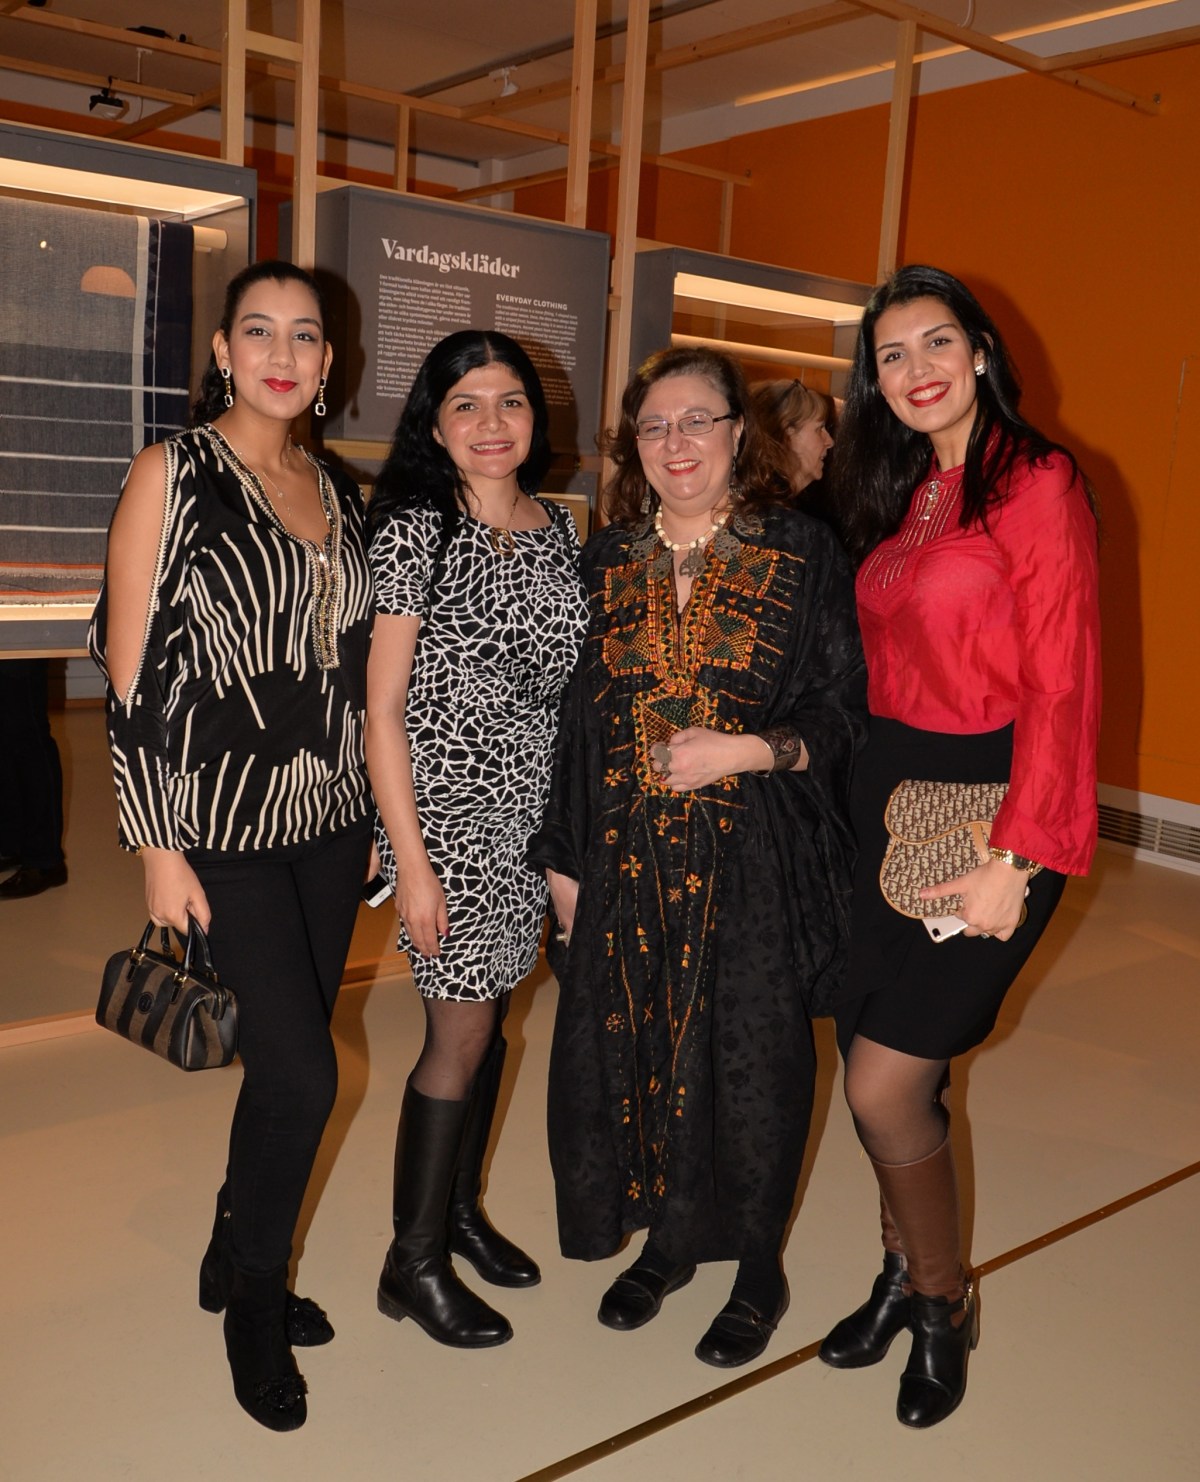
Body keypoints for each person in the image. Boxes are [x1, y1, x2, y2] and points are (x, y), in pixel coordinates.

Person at [528, 346, 866, 1368]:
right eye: (654, 426)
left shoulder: (801, 551)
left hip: (754, 854)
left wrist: (748, 750)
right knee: (645, 1047)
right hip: (626, 855)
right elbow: (576, 725)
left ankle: (759, 1265)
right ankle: (671, 1241)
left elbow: (844, 710)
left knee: (754, 1063)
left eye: (697, 421)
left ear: (737, 433)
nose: (676, 443)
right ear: (633, 444)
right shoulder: (605, 560)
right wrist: (562, 863)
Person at [89, 260, 373, 1432]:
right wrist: (156, 844)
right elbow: (127, 671)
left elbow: (352, 670)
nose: (283, 353)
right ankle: (255, 1304)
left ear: (328, 362)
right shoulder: (172, 472)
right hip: (222, 830)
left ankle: (228, 1240)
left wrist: (373, 817)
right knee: (306, 1073)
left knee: (280, 1064)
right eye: (259, 330)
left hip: (331, 827)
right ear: (221, 350)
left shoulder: (336, 486)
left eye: (305, 336)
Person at [817, 264, 1100, 1428]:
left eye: (936, 342)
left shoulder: (1035, 481)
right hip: (882, 799)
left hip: (993, 806)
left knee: (887, 1082)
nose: (916, 369)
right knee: (870, 1063)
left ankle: (941, 1304)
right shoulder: (899, 490)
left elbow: (1064, 680)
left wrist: (1016, 858)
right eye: (891, 355)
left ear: (980, 351)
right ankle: (899, 1271)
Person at [366, 329, 587, 1349]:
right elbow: (382, 711)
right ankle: (410, 1262)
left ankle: (456, 1215)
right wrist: (411, 864)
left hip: (531, 822)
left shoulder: (559, 527)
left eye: (510, 402)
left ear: (535, 417)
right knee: (456, 1035)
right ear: (435, 422)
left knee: (491, 1021)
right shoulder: (420, 529)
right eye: (466, 404)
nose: (491, 423)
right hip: (449, 822)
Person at [0, 658, 67, 898]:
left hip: (18, 645)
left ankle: (45, 860)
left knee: (27, 736)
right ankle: (12, 845)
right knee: (5, 738)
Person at [750, 378, 836, 498]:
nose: (830, 442)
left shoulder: (762, 499)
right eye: (819, 429)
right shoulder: (762, 504)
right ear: (788, 432)